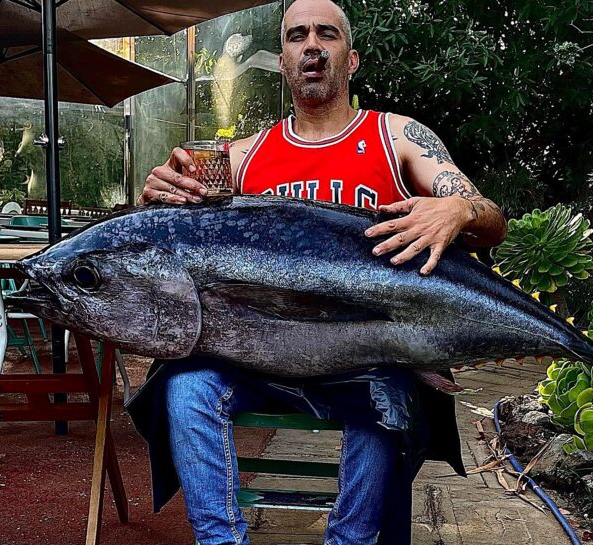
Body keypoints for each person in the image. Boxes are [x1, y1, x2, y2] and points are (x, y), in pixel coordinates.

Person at [131, 1, 507, 544]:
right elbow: (188, 251)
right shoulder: (242, 158)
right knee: (186, 387)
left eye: (326, 35)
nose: (311, 45)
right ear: (282, 60)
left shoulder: (395, 136)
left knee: (389, 392)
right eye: (297, 36)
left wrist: (461, 209)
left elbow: (491, 221)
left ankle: (349, 540)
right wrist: (160, 200)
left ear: (350, 59)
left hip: (364, 354)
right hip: (261, 353)